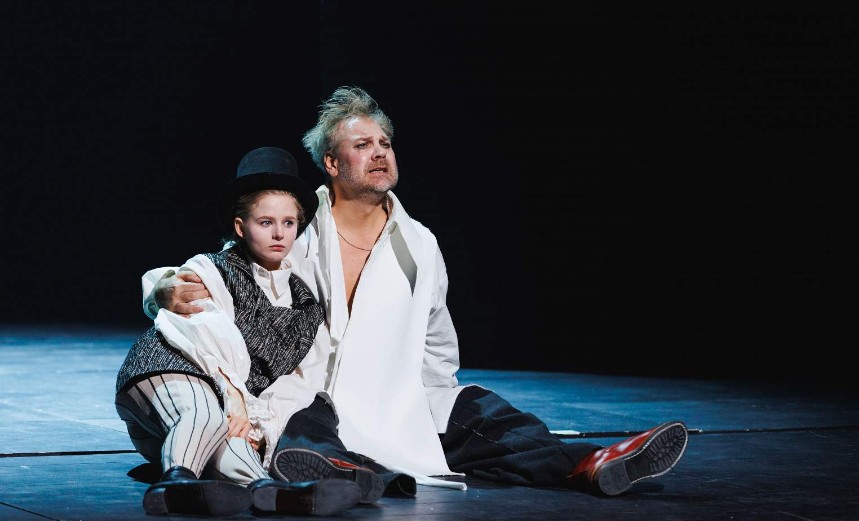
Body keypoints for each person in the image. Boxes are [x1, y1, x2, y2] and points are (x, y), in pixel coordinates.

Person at [146, 86, 689, 498]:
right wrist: (158, 289)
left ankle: (591, 464)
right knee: (305, 436)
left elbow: (437, 342)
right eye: (362, 145)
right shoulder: (298, 228)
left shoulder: (420, 244)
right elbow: (215, 270)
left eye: (385, 143)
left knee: (489, 416)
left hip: (395, 395)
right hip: (312, 396)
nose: (380, 152)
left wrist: (435, 401)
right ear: (332, 163)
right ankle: (350, 476)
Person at [115, 147, 362, 516]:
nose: (278, 233)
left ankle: (270, 491)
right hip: (169, 371)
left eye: (288, 223)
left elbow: (294, 383)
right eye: (265, 222)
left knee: (237, 442)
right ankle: (174, 484)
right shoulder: (213, 268)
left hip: (218, 413)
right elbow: (203, 334)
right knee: (209, 417)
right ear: (240, 226)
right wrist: (234, 396)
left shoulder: (306, 306)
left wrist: (263, 428)